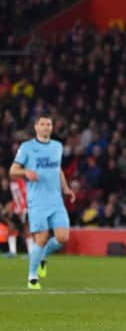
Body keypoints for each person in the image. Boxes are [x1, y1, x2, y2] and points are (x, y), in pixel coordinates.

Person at [9, 115, 75, 290]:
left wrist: (66, 188)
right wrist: (25, 173)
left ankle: (43, 257)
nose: (46, 127)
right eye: (43, 124)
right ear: (36, 127)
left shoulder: (57, 146)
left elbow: (57, 169)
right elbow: (13, 170)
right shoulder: (27, 147)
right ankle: (32, 276)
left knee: (63, 237)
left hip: (56, 200)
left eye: (49, 124)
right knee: (42, 237)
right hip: (37, 201)